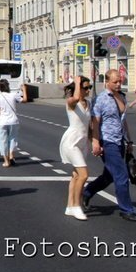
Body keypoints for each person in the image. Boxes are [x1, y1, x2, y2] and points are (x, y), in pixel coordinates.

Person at [82, 69, 136, 222]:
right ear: (106, 82)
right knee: (121, 175)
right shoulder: (101, 99)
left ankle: (87, 192)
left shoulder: (122, 97)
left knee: (109, 176)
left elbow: (123, 120)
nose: (119, 84)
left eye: (120, 81)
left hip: (119, 140)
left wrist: (129, 140)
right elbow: (95, 122)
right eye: (115, 82)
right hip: (107, 141)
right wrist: (95, 142)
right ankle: (126, 209)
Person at [59, 76, 92, 221]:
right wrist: (78, 83)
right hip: (71, 142)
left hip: (82, 142)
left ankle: (69, 206)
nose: (88, 90)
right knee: (84, 175)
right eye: (85, 87)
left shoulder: (88, 103)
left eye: (89, 87)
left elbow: (89, 126)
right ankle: (76, 206)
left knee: (76, 176)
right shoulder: (71, 102)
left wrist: (94, 142)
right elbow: (76, 97)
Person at [0, 79, 26, 167]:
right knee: (12, 139)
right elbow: (25, 100)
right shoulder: (13, 95)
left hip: (2, 121)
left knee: (2, 141)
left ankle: (6, 161)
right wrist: (24, 89)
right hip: (13, 121)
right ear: (8, 86)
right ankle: (11, 154)